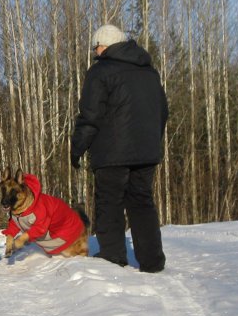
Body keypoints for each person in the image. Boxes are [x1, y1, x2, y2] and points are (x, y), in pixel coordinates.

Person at [71, 23, 168, 273]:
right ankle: (153, 261)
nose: (96, 51)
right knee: (142, 202)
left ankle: (112, 258)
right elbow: (163, 112)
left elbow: (90, 115)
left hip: (111, 153)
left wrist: (77, 147)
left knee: (109, 202)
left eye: (97, 47)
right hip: (146, 151)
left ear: (105, 45)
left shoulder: (100, 71)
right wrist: (152, 142)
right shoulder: (149, 72)